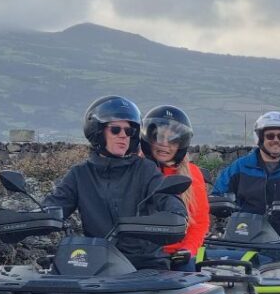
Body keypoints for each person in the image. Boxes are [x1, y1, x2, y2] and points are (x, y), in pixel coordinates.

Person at [43, 95, 187, 270]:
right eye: (116, 130)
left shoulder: (145, 170)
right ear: (97, 131)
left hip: (145, 265)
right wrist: (34, 218)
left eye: (129, 131)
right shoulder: (80, 174)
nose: (123, 136)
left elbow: (165, 195)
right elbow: (55, 205)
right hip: (97, 263)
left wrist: (175, 213)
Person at [212, 111, 280, 240]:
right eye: (270, 136)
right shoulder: (240, 167)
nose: (276, 140)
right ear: (260, 138)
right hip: (244, 234)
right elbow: (217, 194)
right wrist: (220, 204)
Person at [140, 105, 209, 271]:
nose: (165, 144)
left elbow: (199, 222)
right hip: (140, 253)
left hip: (177, 255)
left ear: (181, 144)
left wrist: (187, 250)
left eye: (173, 139)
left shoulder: (192, 173)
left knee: (188, 283)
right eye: (159, 136)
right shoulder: (136, 169)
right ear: (148, 138)